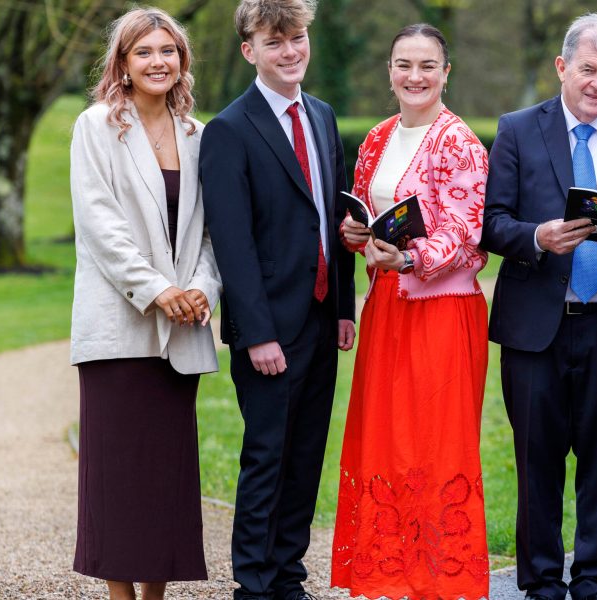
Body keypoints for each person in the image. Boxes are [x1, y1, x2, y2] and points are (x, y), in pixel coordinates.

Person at [481, 13, 597, 600]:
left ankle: (593, 580)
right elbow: (491, 223)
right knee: (537, 461)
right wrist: (538, 237)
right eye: (587, 69)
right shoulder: (516, 128)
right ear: (562, 67)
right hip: (537, 326)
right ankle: (540, 582)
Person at [198, 0, 356, 597]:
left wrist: (344, 307)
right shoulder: (230, 130)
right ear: (249, 50)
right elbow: (232, 244)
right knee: (267, 453)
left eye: (297, 38)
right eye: (275, 41)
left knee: (307, 450)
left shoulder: (321, 115)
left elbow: (335, 216)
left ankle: (288, 573)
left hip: (320, 314)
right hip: (269, 325)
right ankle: (255, 582)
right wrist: (257, 332)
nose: (290, 51)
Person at [329, 23, 491, 600]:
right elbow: (365, 223)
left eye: (427, 65)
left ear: (446, 72)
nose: (414, 76)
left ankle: (439, 582)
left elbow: (468, 234)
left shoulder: (460, 142)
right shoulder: (375, 138)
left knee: (435, 444)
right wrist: (355, 234)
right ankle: (388, 572)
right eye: (404, 64)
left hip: (442, 313)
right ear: (390, 70)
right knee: (387, 443)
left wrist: (409, 256)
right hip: (387, 310)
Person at [69, 7, 221, 600]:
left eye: (168, 51)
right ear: (123, 65)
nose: (158, 61)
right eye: (144, 52)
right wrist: (159, 291)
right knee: (116, 474)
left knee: (164, 477)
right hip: (119, 329)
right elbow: (101, 226)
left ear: (182, 59)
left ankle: (156, 596)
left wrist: (200, 291)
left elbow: (212, 232)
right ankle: (119, 596)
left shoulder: (199, 134)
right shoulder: (97, 126)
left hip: (181, 332)